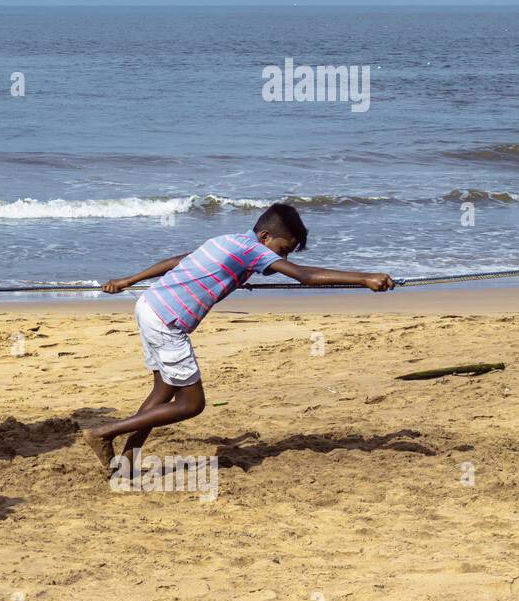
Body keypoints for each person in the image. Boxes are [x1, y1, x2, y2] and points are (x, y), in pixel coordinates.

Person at [91, 203, 394, 474]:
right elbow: (304, 275)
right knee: (192, 404)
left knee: (163, 390)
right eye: (282, 250)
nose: (282, 258)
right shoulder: (252, 251)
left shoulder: (227, 242)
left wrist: (128, 280)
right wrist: (364, 277)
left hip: (150, 305)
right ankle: (104, 432)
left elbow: (176, 261)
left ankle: (129, 459)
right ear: (264, 237)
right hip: (168, 321)